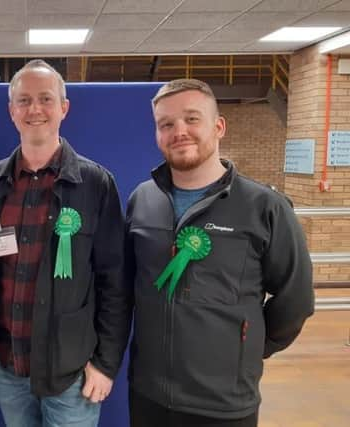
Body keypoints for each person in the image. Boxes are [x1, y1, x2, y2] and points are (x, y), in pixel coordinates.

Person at [125, 78, 315, 427]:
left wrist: (247, 349)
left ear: (219, 126)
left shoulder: (264, 207)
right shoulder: (142, 200)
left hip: (224, 404)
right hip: (148, 395)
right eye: (166, 124)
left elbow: (296, 298)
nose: (178, 131)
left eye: (191, 119)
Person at [0, 59, 132, 427]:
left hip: (72, 375)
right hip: (7, 368)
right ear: (11, 111)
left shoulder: (95, 183)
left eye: (45, 99)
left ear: (64, 108)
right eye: (23, 101)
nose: (34, 109)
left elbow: (114, 283)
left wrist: (106, 364)